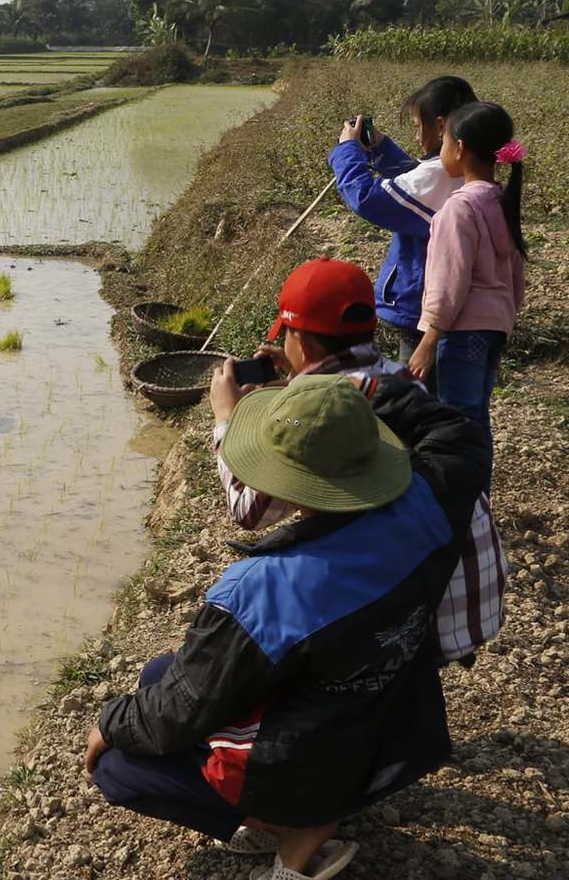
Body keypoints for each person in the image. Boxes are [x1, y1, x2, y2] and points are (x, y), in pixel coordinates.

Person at [84, 373, 490, 880]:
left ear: (286, 478)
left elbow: (178, 713)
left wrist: (108, 723)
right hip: (395, 725)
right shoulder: (432, 502)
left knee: (120, 765)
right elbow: (457, 430)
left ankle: (298, 829)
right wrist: (350, 397)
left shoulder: (265, 589)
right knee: (160, 674)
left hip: (315, 761)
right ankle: (312, 806)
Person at [211, 258, 507, 661]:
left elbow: (250, 513)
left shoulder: (322, 414)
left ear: (302, 342)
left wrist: (227, 420)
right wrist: (300, 382)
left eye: (288, 336)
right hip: (475, 601)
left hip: (420, 624)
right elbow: (342, 389)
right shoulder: (398, 379)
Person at [327, 75, 478, 359]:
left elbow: (367, 199)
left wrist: (347, 149)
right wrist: (381, 147)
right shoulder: (463, 168)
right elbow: (414, 179)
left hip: (422, 309)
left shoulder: (439, 175)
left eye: (418, 126)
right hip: (460, 310)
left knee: (419, 397)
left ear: (441, 126)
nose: (416, 135)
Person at [406, 102, 528, 437]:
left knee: (457, 421)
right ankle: (479, 488)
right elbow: (516, 274)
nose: (441, 151)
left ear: (459, 148)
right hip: (495, 328)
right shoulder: (502, 200)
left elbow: (450, 282)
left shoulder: (458, 209)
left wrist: (429, 339)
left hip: (462, 331)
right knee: (475, 418)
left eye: (443, 143)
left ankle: (462, 488)